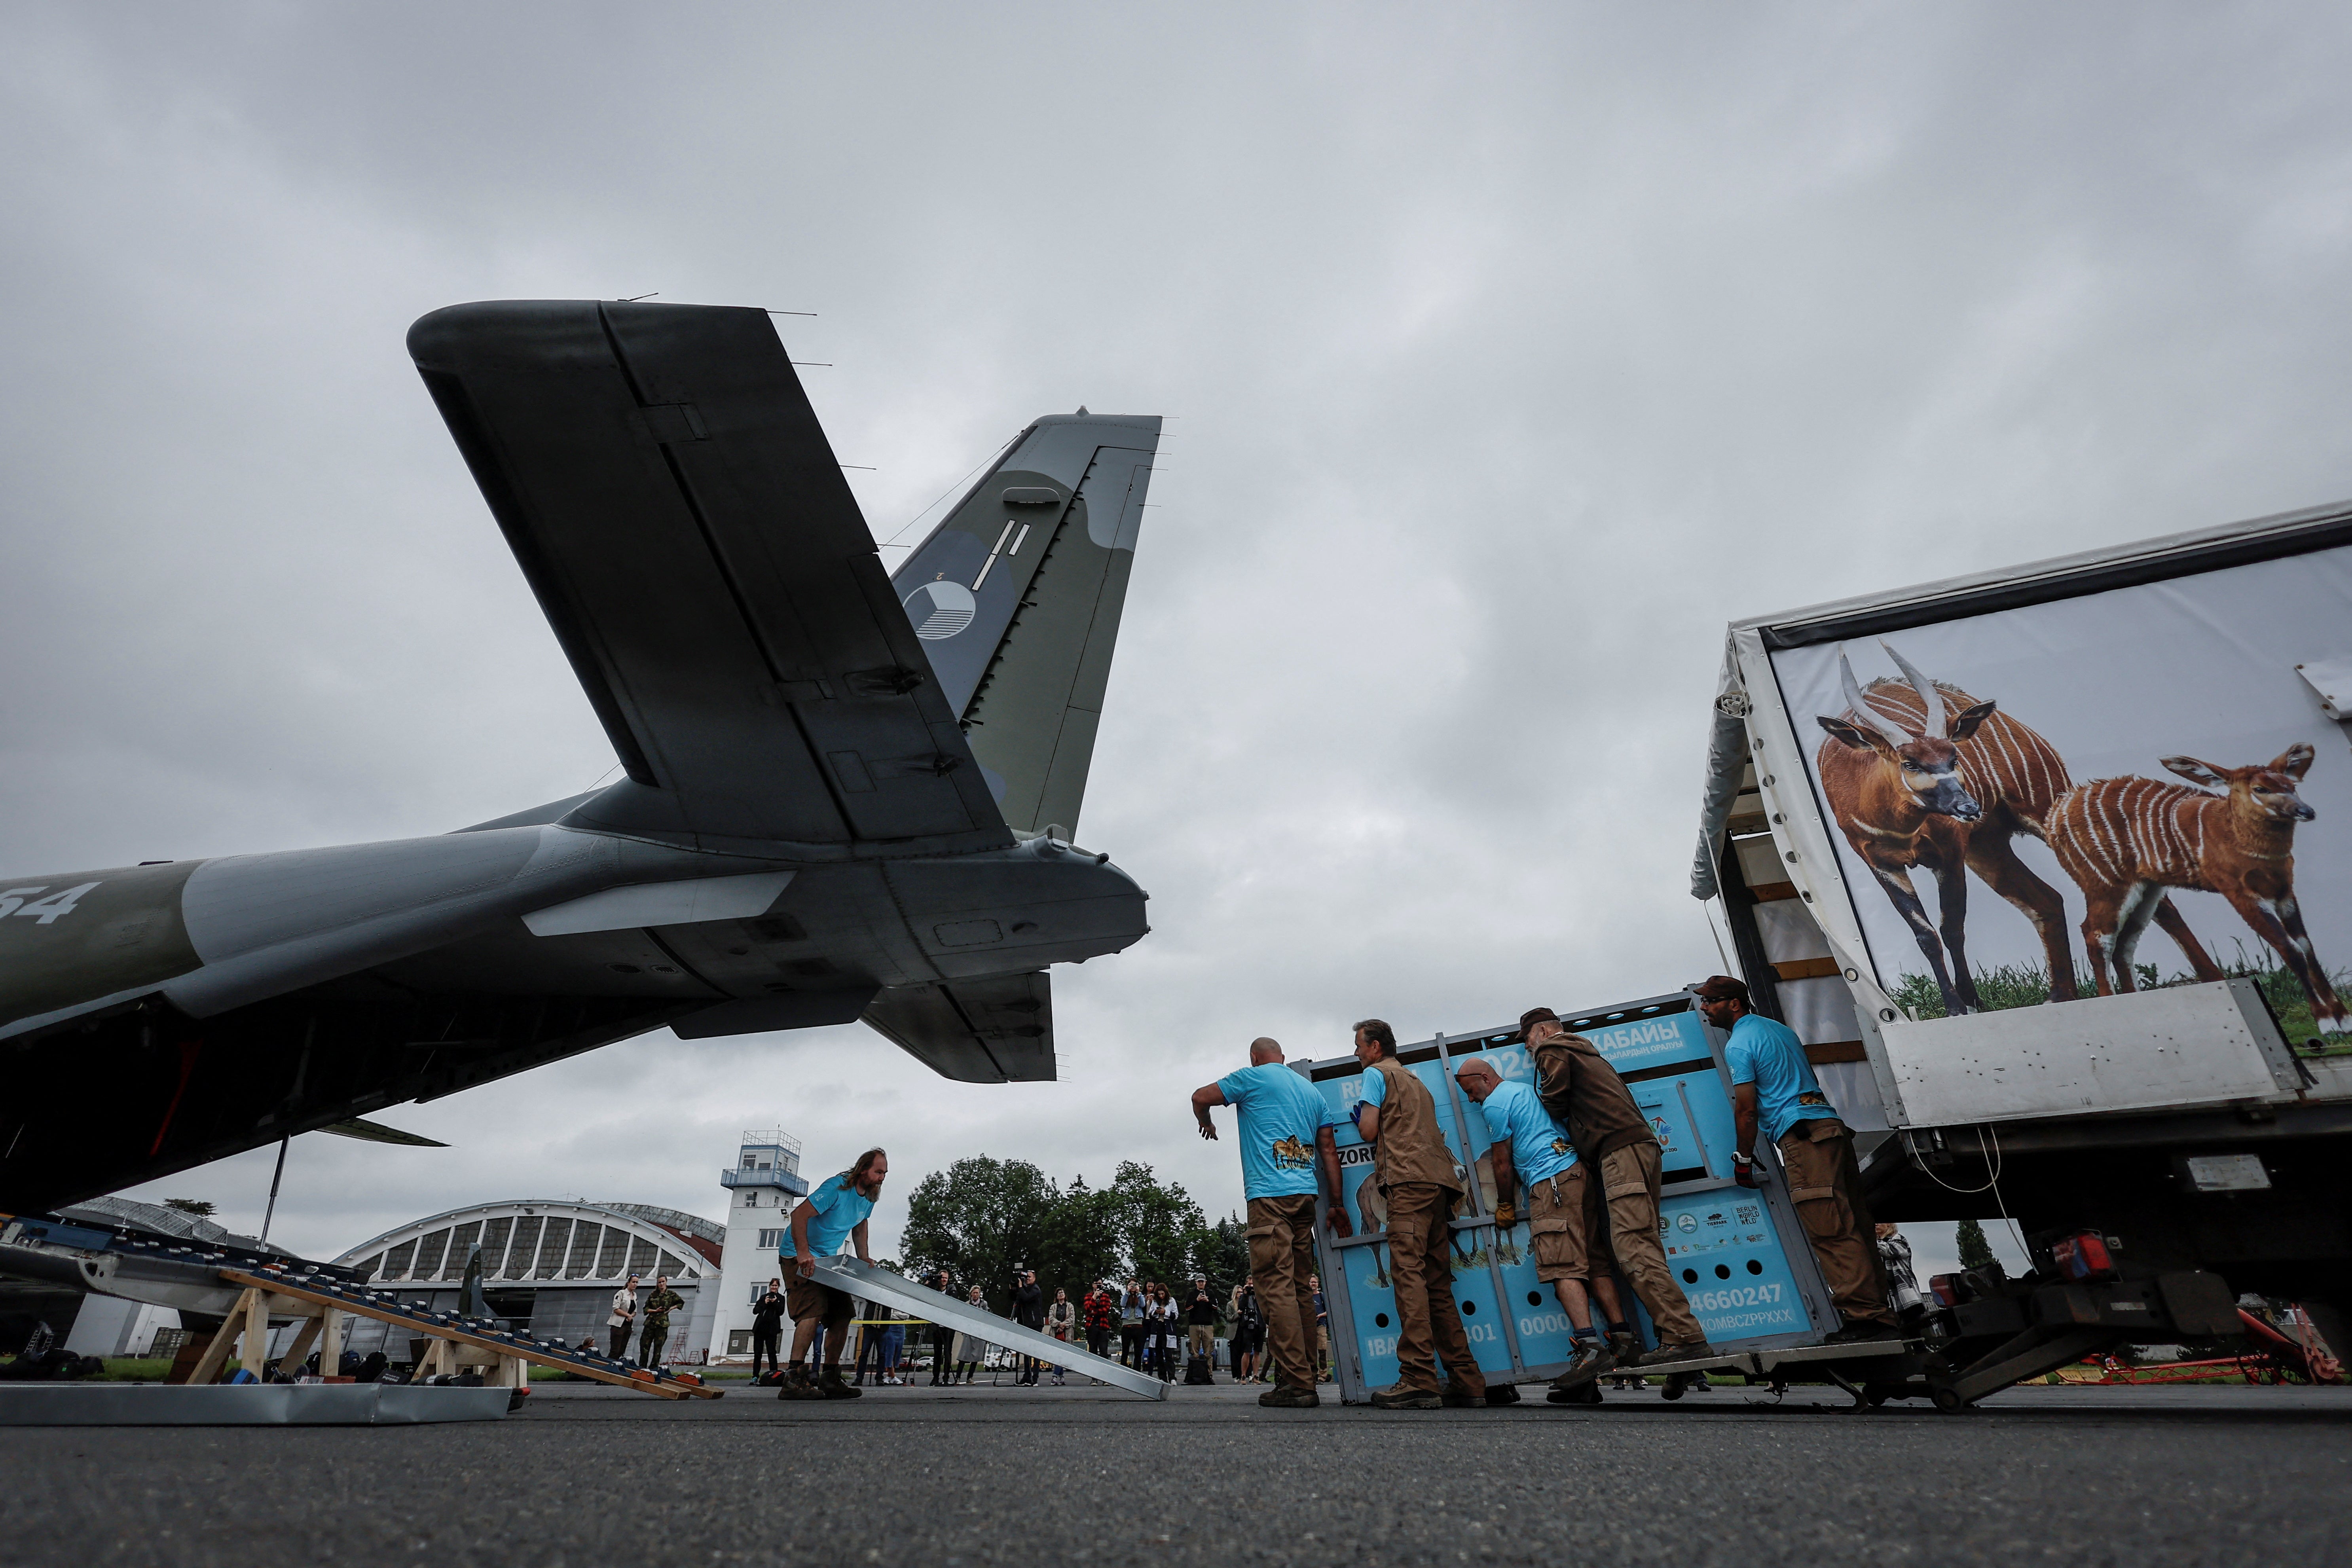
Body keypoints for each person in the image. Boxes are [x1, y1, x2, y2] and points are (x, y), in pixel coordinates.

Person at [1696, 975, 1896, 1341]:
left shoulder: (1740, 1043)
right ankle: (1881, 1313)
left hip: (1802, 1136)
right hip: (1832, 1130)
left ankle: (1865, 1318)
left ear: (1735, 1004)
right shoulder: (1779, 1030)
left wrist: (1743, 1158)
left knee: (1829, 1229)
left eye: (1711, 1002)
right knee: (1855, 1224)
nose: (1705, 1009)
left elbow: (1746, 1110)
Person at [1523, 1005, 1711, 1366]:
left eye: (1529, 1040)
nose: (1529, 1049)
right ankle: (1674, 1335)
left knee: (1633, 1247)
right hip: (1637, 1148)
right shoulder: (1589, 1052)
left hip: (1619, 1151)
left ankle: (1685, 1336)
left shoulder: (1554, 1049)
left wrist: (1544, 1097)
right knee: (1643, 1242)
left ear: (1544, 1032)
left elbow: (1555, 1098)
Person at [1191, 1035, 1350, 1407]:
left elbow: (1200, 1097)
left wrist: (1207, 1122)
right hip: (1305, 1198)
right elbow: (1329, 1149)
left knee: (1274, 1288)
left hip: (1269, 1197)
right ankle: (1306, 1374)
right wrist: (1337, 1203)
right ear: (1284, 1058)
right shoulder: (1311, 1092)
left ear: (1254, 1057)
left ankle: (1296, 1384)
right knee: (1299, 1291)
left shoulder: (1253, 1077)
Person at [1349, 1018, 1489, 1409]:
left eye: (1358, 1045)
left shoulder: (1376, 1075)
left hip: (1407, 1183)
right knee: (1437, 1283)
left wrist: (1358, 1114)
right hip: (1439, 1185)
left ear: (1375, 1047)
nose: (1356, 1052)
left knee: (1407, 1275)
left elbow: (1368, 1131)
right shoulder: (1416, 1082)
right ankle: (1467, 1380)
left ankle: (1418, 1378)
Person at [1454, 1055, 1608, 1396]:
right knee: (1593, 1259)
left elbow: (1502, 1161)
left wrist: (1506, 1204)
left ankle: (1589, 1346)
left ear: (1485, 1077)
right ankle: (1619, 1335)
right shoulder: (1523, 1091)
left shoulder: (1495, 1103)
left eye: (1471, 1090)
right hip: (1576, 1172)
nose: (1471, 1099)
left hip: (1549, 1182)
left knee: (1561, 1265)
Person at [777, 1146, 890, 1400]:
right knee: (813, 1311)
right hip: (797, 1254)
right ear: (863, 1170)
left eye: (885, 1173)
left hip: (828, 1261)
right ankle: (793, 1379)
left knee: (843, 1314)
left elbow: (861, 1224)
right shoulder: (836, 1188)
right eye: (878, 1172)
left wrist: (864, 1257)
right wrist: (803, 1253)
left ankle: (830, 1378)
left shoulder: (870, 1196)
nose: (882, 1178)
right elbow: (798, 1215)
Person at [638, 1275, 685, 1372]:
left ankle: (653, 1368)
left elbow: (681, 1303)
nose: (661, 1284)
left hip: (662, 1324)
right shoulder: (653, 1295)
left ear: (666, 1282)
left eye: (663, 1282)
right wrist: (655, 1311)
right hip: (650, 1323)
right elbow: (646, 1309)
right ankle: (642, 1367)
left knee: (658, 1348)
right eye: (659, 1282)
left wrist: (671, 1308)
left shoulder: (671, 1295)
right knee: (644, 1346)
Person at [1878, 1224, 1923, 1319]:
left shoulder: (1898, 1239)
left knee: (1912, 1325)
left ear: (1889, 1224)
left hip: (1905, 1293)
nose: (1876, 1224)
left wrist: (1870, 1239)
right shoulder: (1876, 1245)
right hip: (1889, 1297)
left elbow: (1891, 1252)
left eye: (1880, 1221)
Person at [750, 1278, 788, 1381]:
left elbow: (781, 1312)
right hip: (760, 1329)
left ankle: (774, 1375)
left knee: (772, 1352)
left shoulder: (781, 1298)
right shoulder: (763, 1297)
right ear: (770, 1286)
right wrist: (765, 1303)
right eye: (772, 1286)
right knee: (758, 1353)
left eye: (776, 1286)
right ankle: (755, 1376)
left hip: (772, 1330)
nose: (774, 1288)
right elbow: (755, 1311)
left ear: (778, 1287)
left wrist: (775, 1302)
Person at [1013, 1269, 1046, 1386]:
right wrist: (1016, 1287)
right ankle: (1027, 1377)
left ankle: (1034, 1378)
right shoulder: (1025, 1289)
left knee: (1035, 1351)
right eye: (1026, 1277)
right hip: (1026, 1323)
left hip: (1035, 1323)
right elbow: (1017, 1297)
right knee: (1026, 1351)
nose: (1028, 1279)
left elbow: (1026, 1298)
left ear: (1035, 1279)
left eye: (1030, 1277)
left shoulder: (1036, 1290)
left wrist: (1021, 1287)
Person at [1229, 1276, 1264, 1383]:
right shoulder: (1245, 1295)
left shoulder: (1260, 1294)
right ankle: (1244, 1376)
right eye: (1249, 1284)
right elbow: (1241, 1307)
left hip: (1259, 1325)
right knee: (1247, 1351)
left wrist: (1258, 1292)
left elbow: (1265, 1306)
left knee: (1258, 1352)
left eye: (1252, 1284)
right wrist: (1245, 1293)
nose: (1251, 1286)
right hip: (1248, 1326)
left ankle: (1255, 1376)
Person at [929, 1269, 957, 1386]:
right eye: (942, 1277)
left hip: (949, 1326)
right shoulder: (934, 1289)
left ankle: (946, 1377)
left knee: (948, 1352)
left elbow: (953, 1303)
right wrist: (929, 1281)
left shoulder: (952, 1290)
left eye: (946, 1278)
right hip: (937, 1326)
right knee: (937, 1353)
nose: (944, 1280)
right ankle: (935, 1377)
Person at [1146, 1283, 1179, 1382]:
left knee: (1169, 1355)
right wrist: (1156, 1312)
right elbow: (1150, 1314)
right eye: (1159, 1294)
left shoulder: (1171, 1301)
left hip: (1167, 1329)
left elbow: (1176, 1315)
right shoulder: (1155, 1302)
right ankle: (1163, 1378)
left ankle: (1172, 1377)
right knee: (1159, 1356)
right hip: (1157, 1329)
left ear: (1166, 1293)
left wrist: (1166, 1312)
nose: (1161, 1296)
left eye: (1162, 1294)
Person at [1046, 1287, 1075, 1385]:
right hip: (1056, 1334)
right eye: (1059, 1293)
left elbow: (1072, 1319)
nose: (1061, 1294)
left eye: (1062, 1292)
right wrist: (1059, 1324)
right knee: (1058, 1355)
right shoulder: (1053, 1307)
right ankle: (1061, 1377)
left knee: (1063, 1355)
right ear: (1057, 1296)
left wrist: (1063, 1326)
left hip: (1067, 1334)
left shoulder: (1070, 1306)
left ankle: (1056, 1376)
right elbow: (1051, 1319)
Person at [607, 1274, 639, 1363]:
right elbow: (616, 1309)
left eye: (637, 1283)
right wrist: (627, 1315)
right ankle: (608, 1365)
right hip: (618, 1325)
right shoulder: (621, 1293)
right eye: (633, 1282)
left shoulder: (635, 1295)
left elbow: (635, 1311)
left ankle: (616, 1365)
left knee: (622, 1350)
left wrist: (631, 1316)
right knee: (615, 1350)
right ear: (629, 1283)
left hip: (628, 1326)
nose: (635, 1284)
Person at [1083, 1281, 1115, 1362]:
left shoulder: (1106, 1297)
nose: (1098, 1285)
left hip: (1103, 1326)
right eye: (1097, 1283)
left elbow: (1106, 1310)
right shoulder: (1088, 1296)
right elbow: (1088, 1309)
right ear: (1093, 1285)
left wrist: (1094, 1312)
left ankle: (1104, 1370)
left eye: (1100, 1283)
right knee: (1093, 1350)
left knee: (1104, 1350)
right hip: (1091, 1326)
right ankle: (1093, 1370)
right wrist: (1094, 1297)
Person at [1119, 1279, 1147, 1369]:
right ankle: (1124, 1369)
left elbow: (1143, 1305)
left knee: (1138, 1351)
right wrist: (1127, 1292)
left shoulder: (1141, 1296)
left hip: (1138, 1325)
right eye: (1131, 1285)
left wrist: (1138, 1293)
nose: (1133, 1287)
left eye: (1135, 1285)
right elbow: (1122, 1304)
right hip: (1127, 1324)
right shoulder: (1126, 1296)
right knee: (1125, 1350)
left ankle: (1137, 1371)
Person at [1311, 1274, 1330, 1382]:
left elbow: (1329, 1311)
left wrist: (1320, 1316)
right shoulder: (1306, 1297)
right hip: (1309, 1326)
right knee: (1311, 1352)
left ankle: (1323, 1375)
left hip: (1321, 1325)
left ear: (1318, 1284)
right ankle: (1313, 1374)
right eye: (1311, 1282)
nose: (1313, 1284)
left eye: (1315, 1282)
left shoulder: (1322, 1296)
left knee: (1322, 1350)